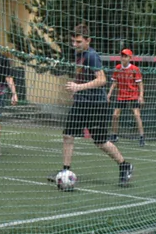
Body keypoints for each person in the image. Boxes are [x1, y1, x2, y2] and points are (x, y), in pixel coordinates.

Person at [61, 25, 133, 186]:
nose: (75, 45)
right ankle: (65, 171)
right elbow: (81, 74)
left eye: (79, 42)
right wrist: (76, 88)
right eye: (73, 41)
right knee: (68, 135)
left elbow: (102, 80)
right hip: (81, 102)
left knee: (100, 141)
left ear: (88, 40)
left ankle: (124, 165)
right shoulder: (77, 54)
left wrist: (78, 87)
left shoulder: (92, 56)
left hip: (96, 105)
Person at [108, 48, 145, 146]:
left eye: (125, 56)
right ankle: (114, 135)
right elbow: (115, 82)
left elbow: (140, 84)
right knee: (115, 115)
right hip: (121, 95)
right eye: (122, 56)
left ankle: (141, 137)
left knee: (137, 115)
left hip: (133, 95)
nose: (123, 58)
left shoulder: (134, 69)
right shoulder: (118, 68)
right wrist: (109, 94)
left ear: (130, 58)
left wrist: (141, 96)